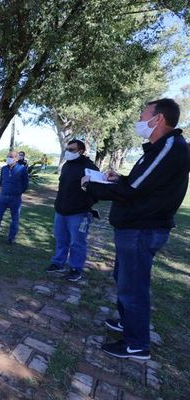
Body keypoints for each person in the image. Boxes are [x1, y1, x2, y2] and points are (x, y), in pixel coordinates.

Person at [83, 98, 190, 360]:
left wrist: (92, 185)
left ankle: (137, 344)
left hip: (143, 228)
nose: (139, 121)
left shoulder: (169, 146)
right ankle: (127, 322)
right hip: (135, 226)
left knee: (133, 286)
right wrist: (119, 178)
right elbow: (141, 183)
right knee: (124, 279)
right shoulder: (158, 149)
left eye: (144, 116)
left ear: (159, 119)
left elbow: (132, 191)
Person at [46, 139, 98, 282]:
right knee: (61, 238)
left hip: (79, 213)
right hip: (61, 210)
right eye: (67, 149)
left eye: (71, 149)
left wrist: (85, 205)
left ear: (81, 151)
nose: (68, 152)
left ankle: (76, 268)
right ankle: (58, 263)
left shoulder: (89, 167)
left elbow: (97, 191)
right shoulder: (66, 166)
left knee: (77, 242)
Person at [0, 150, 29, 244]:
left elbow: (26, 184)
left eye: (11, 156)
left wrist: (18, 191)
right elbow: (2, 180)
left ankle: (11, 238)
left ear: (16, 158)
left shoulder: (22, 169)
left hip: (15, 198)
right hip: (2, 197)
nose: (9, 158)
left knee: (15, 219)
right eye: (8, 156)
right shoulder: (4, 169)